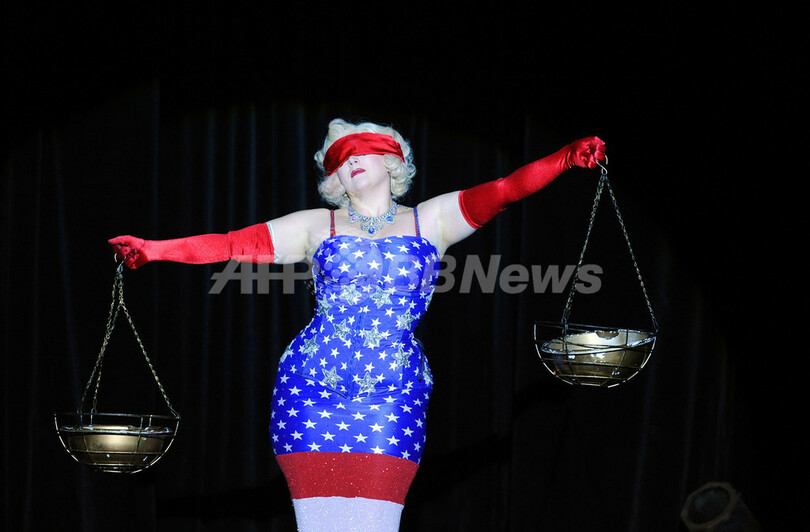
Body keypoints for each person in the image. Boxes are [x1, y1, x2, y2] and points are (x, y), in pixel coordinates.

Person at [110, 118, 605, 531]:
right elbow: (231, 244)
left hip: (392, 395)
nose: (351, 161)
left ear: (392, 161)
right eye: (339, 160)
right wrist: (154, 250)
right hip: (310, 392)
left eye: (362, 150)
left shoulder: (432, 220)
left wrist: (564, 158)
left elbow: (504, 191)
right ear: (335, 180)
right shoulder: (315, 225)